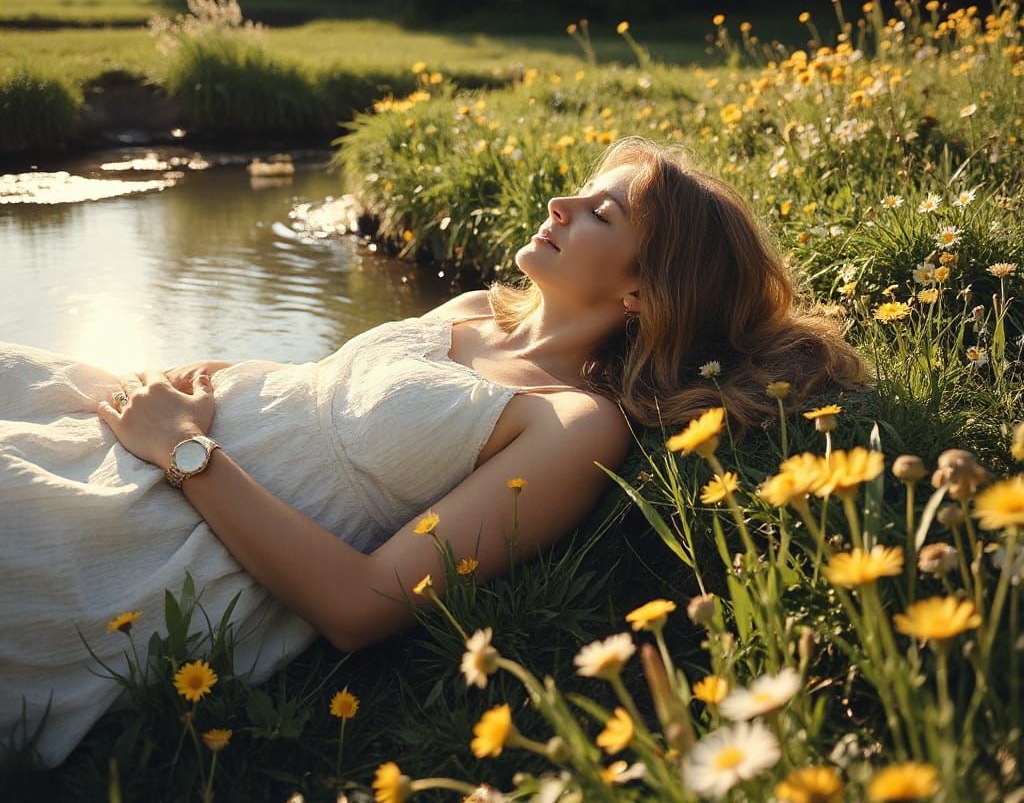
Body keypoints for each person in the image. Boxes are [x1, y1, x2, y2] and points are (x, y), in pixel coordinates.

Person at [0, 135, 866, 767]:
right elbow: (330, 396)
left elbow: (362, 605)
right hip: (151, 431)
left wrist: (189, 454)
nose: (560, 204)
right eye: (580, 191)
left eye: (602, 212)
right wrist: (218, 379)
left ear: (645, 289)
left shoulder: (572, 424)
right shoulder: (470, 310)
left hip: (177, 526)